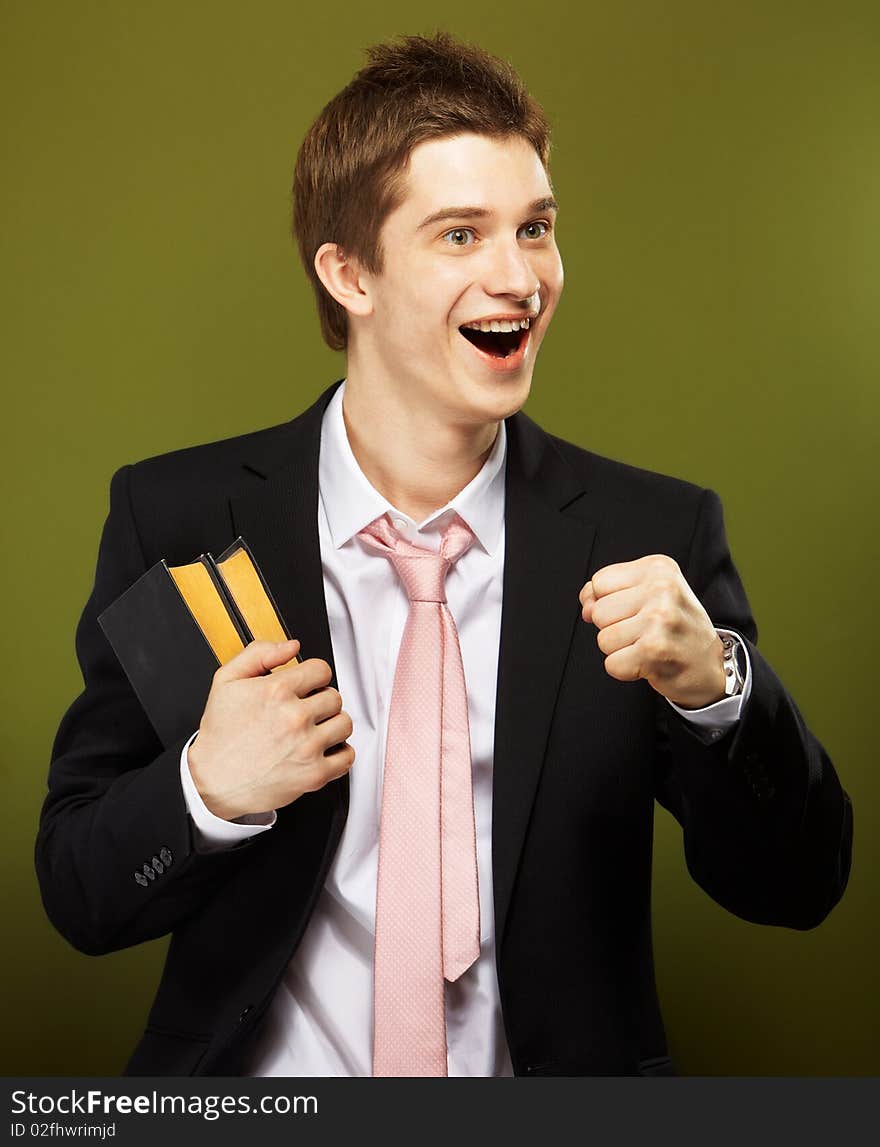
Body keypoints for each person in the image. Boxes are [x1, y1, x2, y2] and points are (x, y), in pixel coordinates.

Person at [36, 32, 852, 1078]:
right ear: (350, 273)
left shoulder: (653, 538)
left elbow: (797, 887)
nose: (518, 278)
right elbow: (79, 891)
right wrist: (206, 787)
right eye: (460, 234)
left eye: (536, 229)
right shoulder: (176, 518)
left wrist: (720, 689)